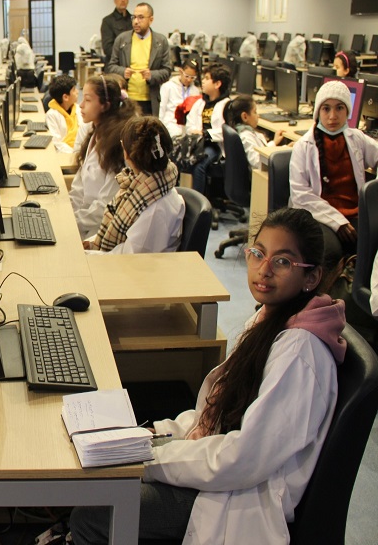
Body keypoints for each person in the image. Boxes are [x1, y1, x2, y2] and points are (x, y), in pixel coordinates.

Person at [72, 207, 346, 544]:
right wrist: (154, 434)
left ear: (311, 277)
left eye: (283, 261)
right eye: (258, 254)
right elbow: (215, 413)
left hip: (237, 497)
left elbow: (244, 457)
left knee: (93, 513)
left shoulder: (300, 352)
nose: (264, 269)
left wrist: (149, 458)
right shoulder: (271, 318)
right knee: (101, 462)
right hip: (220, 466)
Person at [289, 80, 378, 276]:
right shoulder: (304, 146)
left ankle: (358, 293)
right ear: (318, 112)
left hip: (355, 214)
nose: (332, 116)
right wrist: (337, 221)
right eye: (326, 108)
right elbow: (300, 195)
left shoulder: (357, 138)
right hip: (319, 216)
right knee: (329, 252)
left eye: (339, 108)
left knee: (372, 247)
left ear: (347, 112)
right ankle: (324, 295)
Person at [85, 116, 184, 254]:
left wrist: (87, 255)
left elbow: (130, 257)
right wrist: (90, 244)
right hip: (128, 259)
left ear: (126, 154)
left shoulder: (154, 209)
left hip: (137, 265)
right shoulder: (149, 183)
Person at [69, 74, 138, 240]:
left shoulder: (116, 145)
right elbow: (78, 188)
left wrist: (70, 223)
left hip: (100, 231)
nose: (81, 105)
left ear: (105, 105)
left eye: (88, 100)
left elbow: (106, 206)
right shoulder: (94, 134)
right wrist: (63, 214)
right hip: (83, 221)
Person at [107, 2, 172, 116]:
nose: (136, 21)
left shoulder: (161, 41)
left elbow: (167, 71)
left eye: (141, 17)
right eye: (134, 17)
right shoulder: (122, 40)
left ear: (151, 20)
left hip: (150, 101)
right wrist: (123, 72)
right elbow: (111, 67)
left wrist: (151, 75)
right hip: (126, 99)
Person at [184, 63, 232, 193]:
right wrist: (194, 132)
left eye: (207, 78)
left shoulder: (227, 105)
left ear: (217, 84)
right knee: (179, 158)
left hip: (214, 145)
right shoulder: (200, 103)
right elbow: (189, 123)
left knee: (199, 165)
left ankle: (198, 199)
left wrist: (205, 133)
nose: (203, 82)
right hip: (197, 143)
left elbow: (227, 131)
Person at [225, 95, 285, 168]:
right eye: (255, 112)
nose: (258, 115)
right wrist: (284, 150)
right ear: (245, 116)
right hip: (258, 172)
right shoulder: (245, 137)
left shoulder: (244, 132)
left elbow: (261, 150)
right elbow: (258, 161)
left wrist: (274, 142)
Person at [159, 58, 201, 137]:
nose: (189, 80)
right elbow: (162, 108)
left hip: (188, 126)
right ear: (181, 71)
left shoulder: (195, 91)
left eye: (192, 77)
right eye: (187, 76)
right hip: (170, 124)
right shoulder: (168, 86)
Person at [45, 74, 83, 153]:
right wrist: (74, 153)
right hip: (64, 154)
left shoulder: (79, 109)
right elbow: (56, 142)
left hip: (81, 151)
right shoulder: (52, 115)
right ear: (65, 97)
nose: (77, 92)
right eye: (74, 90)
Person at [100, 0, 132, 65]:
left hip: (133, 63)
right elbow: (107, 48)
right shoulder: (108, 21)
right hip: (115, 64)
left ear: (128, 0)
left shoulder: (134, 20)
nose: (123, 0)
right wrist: (125, 56)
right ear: (115, 1)